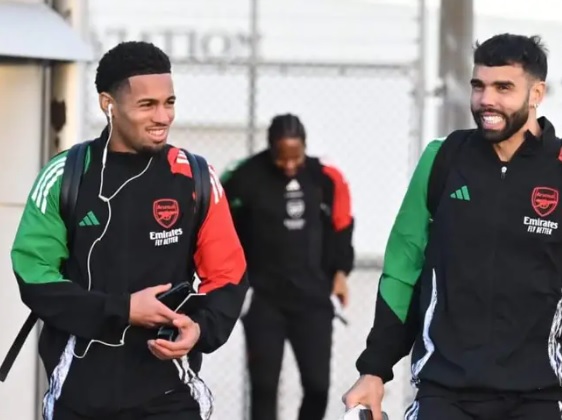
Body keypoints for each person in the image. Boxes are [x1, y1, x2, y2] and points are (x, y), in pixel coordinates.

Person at [342, 33, 562, 420]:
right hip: (445, 392)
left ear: (536, 93)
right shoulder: (441, 160)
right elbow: (403, 268)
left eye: (503, 88)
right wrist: (374, 369)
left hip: (543, 396)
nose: (486, 100)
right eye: (479, 86)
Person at [10, 41, 248, 420]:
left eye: (169, 102)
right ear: (108, 104)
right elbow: (34, 276)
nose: (163, 116)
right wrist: (122, 310)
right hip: (79, 396)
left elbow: (228, 273)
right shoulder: (65, 175)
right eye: (147, 105)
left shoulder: (196, 176)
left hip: (170, 396)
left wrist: (200, 329)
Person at [220, 113, 355, 420]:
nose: (290, 165)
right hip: (263, 299)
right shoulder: (245, 176)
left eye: (296, 157)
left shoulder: (325, 177)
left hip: (313, 298)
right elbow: (219, 227)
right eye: (282, 158)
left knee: (318, 386)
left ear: (306, 147)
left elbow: (342, 224)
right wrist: (232, 281)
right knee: (264, 387)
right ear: (270, 148)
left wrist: (340, 273)